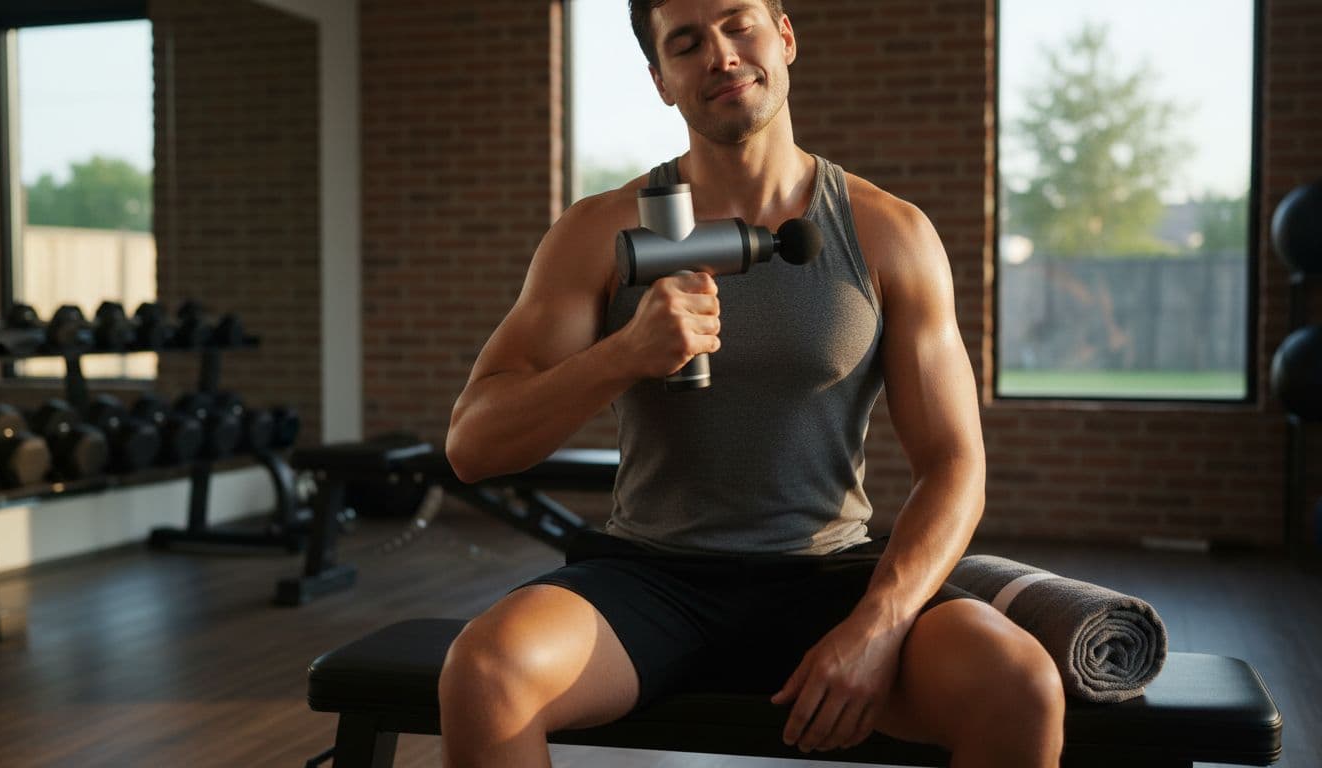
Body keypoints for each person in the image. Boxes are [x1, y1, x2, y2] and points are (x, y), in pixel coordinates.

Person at [442, 1, 1066, 766]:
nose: (721, 55)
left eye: (740, 25)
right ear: (661, 81)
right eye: (686, 43)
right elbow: (472, 447)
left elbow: (955, 464)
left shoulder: (887, 231)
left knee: (1021, 686)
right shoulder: (598, 232)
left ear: (786, 37)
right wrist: (623, 354)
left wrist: (880, 625)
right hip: (652, 580)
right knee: (485, 672)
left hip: (826, 579)